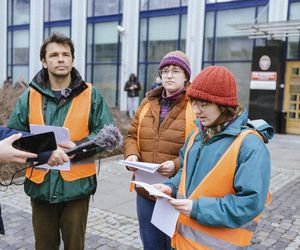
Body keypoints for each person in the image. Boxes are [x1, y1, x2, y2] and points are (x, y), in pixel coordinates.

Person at [7, 33, 113, 250]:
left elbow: (107, 134)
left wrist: (80, 147)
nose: (61, 59)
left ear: (72, 60)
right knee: (44, 246)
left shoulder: (91, 94)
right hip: (40, 185)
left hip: (77, 186)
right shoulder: (29, 96)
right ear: (44, 62)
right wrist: (43, 149)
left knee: (75, 246)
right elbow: (13, 135)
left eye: (66, 54)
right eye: (54, 55)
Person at [155, 66, 273, 250]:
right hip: (181, 243)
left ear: (224, 106)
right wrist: (170, 187)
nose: (196, 111)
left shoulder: (250, 146)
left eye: (204, 104)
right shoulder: (196, 135)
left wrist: (198, 209)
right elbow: (185, 173)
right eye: (194, 103)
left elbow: (250, 203)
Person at [124, 50, 196, 250]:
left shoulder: (195, 106)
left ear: (186, 76)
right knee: (151, 245)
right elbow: (131, 135)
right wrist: (132, 155)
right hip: (146, 191)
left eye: (175, 70)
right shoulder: (147, 103)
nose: (169, 75)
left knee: (176, 245)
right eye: (165, 71)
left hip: (178, 193)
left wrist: (175, 165)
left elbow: (201, 149)